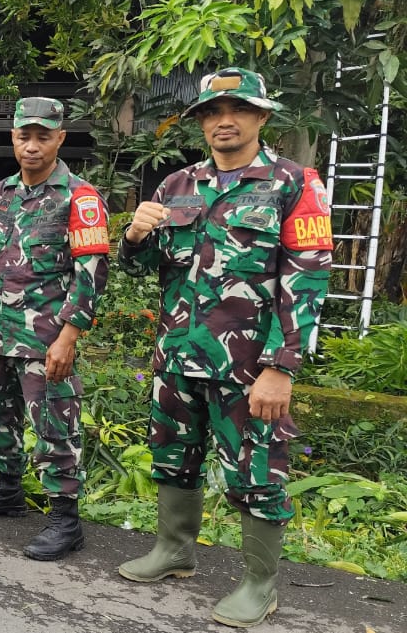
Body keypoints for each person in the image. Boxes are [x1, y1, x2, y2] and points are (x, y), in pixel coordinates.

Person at [115, 68, 331, 628]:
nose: (224, 121)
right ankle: (174, 550)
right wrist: (134, 235)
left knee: (257, 471)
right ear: (201, 123)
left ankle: (260, 584)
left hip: (249, 366)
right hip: (177, 356)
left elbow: (307, 280)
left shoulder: (293, 184)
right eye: (212, 112)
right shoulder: (177, 185)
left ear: (261, 116)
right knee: (172, 455)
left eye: (237, 110)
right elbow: (143, 267)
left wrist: (281, 367)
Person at [0, 96, 110, 561]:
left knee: (55, 426)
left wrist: (69, 336)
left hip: (46, 339)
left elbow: (91, 274)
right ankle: (6, 490)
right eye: (25, 136)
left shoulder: (80, 198)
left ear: (60, 138)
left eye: (44, 136)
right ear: (13, 138)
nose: (33, 146)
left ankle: (65, 520)